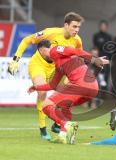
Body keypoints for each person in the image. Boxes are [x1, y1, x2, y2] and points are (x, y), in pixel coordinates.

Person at [7, 12, 84, 140]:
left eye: (78, 27)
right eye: (74, 26)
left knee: (71, 91)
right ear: (66, 25)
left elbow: (79, 55)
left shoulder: (77, 40)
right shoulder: (51, 32)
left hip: (57, 68)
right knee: (42, 93)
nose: (77, 30)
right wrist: (16, 59)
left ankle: (56, 124)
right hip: (39, 64)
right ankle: (43, 129)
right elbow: (27, 40)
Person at [28, 40, 109, 144]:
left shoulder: (54, 50)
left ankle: (65, 124)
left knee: (46, 105)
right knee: (65, 105)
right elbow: (52, 85)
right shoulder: (58, 65)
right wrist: (36, 87)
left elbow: (75, 51)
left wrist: (94, 59)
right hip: (93, 88)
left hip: (80, 85)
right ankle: (64, 135)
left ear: (42, 50)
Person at [93, 20, 112, 90]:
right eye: (102, 26)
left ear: (107, 27)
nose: (103, 27)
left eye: (105, 26)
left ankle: (104, 92)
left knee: (106, 76)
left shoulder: (109, 37)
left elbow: (110, 48)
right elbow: (95, 48)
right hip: (98, 59)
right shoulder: (96, 36)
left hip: (106, 59)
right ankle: (96, 91)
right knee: (98, 75)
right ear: (100, 27)